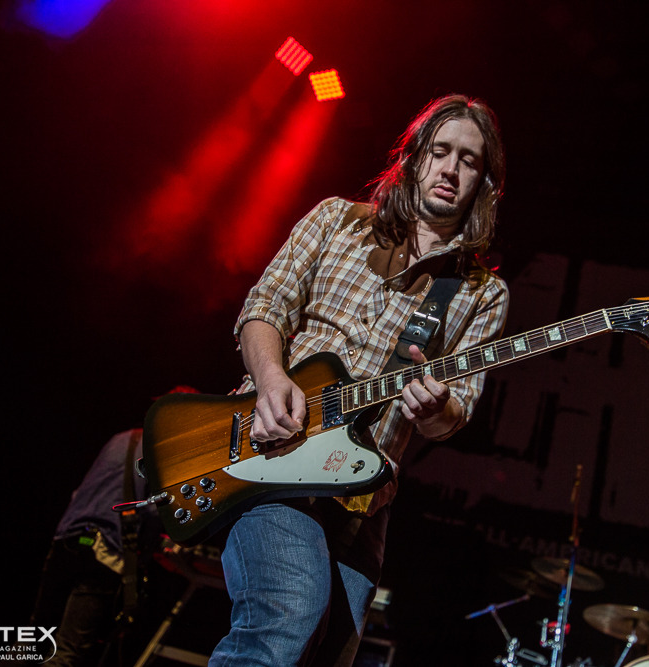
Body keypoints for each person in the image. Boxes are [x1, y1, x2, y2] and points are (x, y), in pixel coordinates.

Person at [208, 94, 509, 667]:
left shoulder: (479, 293)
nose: (450, 168)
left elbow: (456, 413)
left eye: (469, 161)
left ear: (484, 182)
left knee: (328, 656)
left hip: (362, 499)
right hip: (270, 455)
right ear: (414, 158)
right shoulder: (335, 220)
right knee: (287, 615)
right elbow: (264, 308)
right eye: (440, 151)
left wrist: (436, 406)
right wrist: (271, 379)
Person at [25, 386, 199, 665]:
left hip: (67, 540)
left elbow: (82, 493)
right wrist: (163, 542)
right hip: (105, 551)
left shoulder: (123, 438)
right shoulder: (165, 452)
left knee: (32, 638)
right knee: (67, 651)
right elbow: (153, 512)